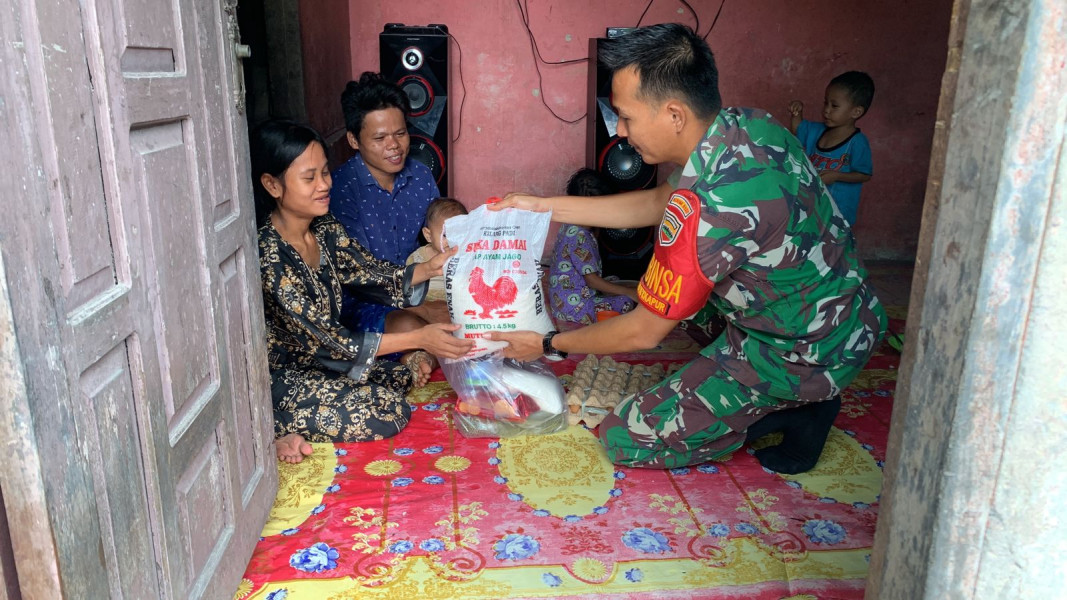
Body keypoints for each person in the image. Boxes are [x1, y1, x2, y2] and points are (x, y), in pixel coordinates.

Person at [488, 24, 887, 475]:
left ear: (674, 114)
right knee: (671, 295)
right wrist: (541, 207)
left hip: (807, 351)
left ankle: (794, 406)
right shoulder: (746, 125)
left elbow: (643, 333)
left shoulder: (712, 206)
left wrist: (547, 343)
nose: (619, 131)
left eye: (626, 116)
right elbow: (659, 201)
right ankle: (773, 387)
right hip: (849, 317)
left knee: (624, 437)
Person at [250, 120, 473, 464]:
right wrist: (424, 339)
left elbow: (368, 272)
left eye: (326, 173)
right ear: (272, 185)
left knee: (398, 375)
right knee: (388, 412)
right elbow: (332, 342)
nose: (325, 185)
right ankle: (270, 426)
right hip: (283, 377)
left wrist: (429, 267)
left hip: (322, 364)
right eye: (310, 178)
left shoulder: (324, 229)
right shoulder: (271, 255)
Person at [331, 72, 448, 340]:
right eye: (380, 138)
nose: (394, 146)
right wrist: (420, 309)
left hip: (419, 290)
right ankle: (414, 351)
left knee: (470, 316)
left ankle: (416, 350)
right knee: (412, 328)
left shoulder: (420, 177)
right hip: (363, 301)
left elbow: (437, 237)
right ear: (353, 140)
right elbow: (353, 276)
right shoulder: (340, 189)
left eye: (400, 133)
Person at [548, 168, 638, 325]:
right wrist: (629, 292)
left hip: (563, 302)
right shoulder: (581, 236)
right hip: (576, 308)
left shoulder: (570, 225)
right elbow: (592, 281)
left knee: (613, 280)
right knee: (625, 301)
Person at [788, 71, 875, 226]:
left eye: (834, 106)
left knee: (831, 246)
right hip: (810, 207)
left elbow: (864, 175)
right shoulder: (817, 130)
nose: (827, 110)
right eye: (825, 103)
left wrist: (837, 176)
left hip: (837, 213)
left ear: (856, 112)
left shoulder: (857, 142)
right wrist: (797, 112)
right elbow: (798, 129)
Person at [406, 197, 469, 302]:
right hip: (427, 305)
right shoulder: (417, 258)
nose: (451, 241)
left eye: (458, 234)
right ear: (428, 235)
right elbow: (407, 289)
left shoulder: (466, 256)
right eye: (445, 235)